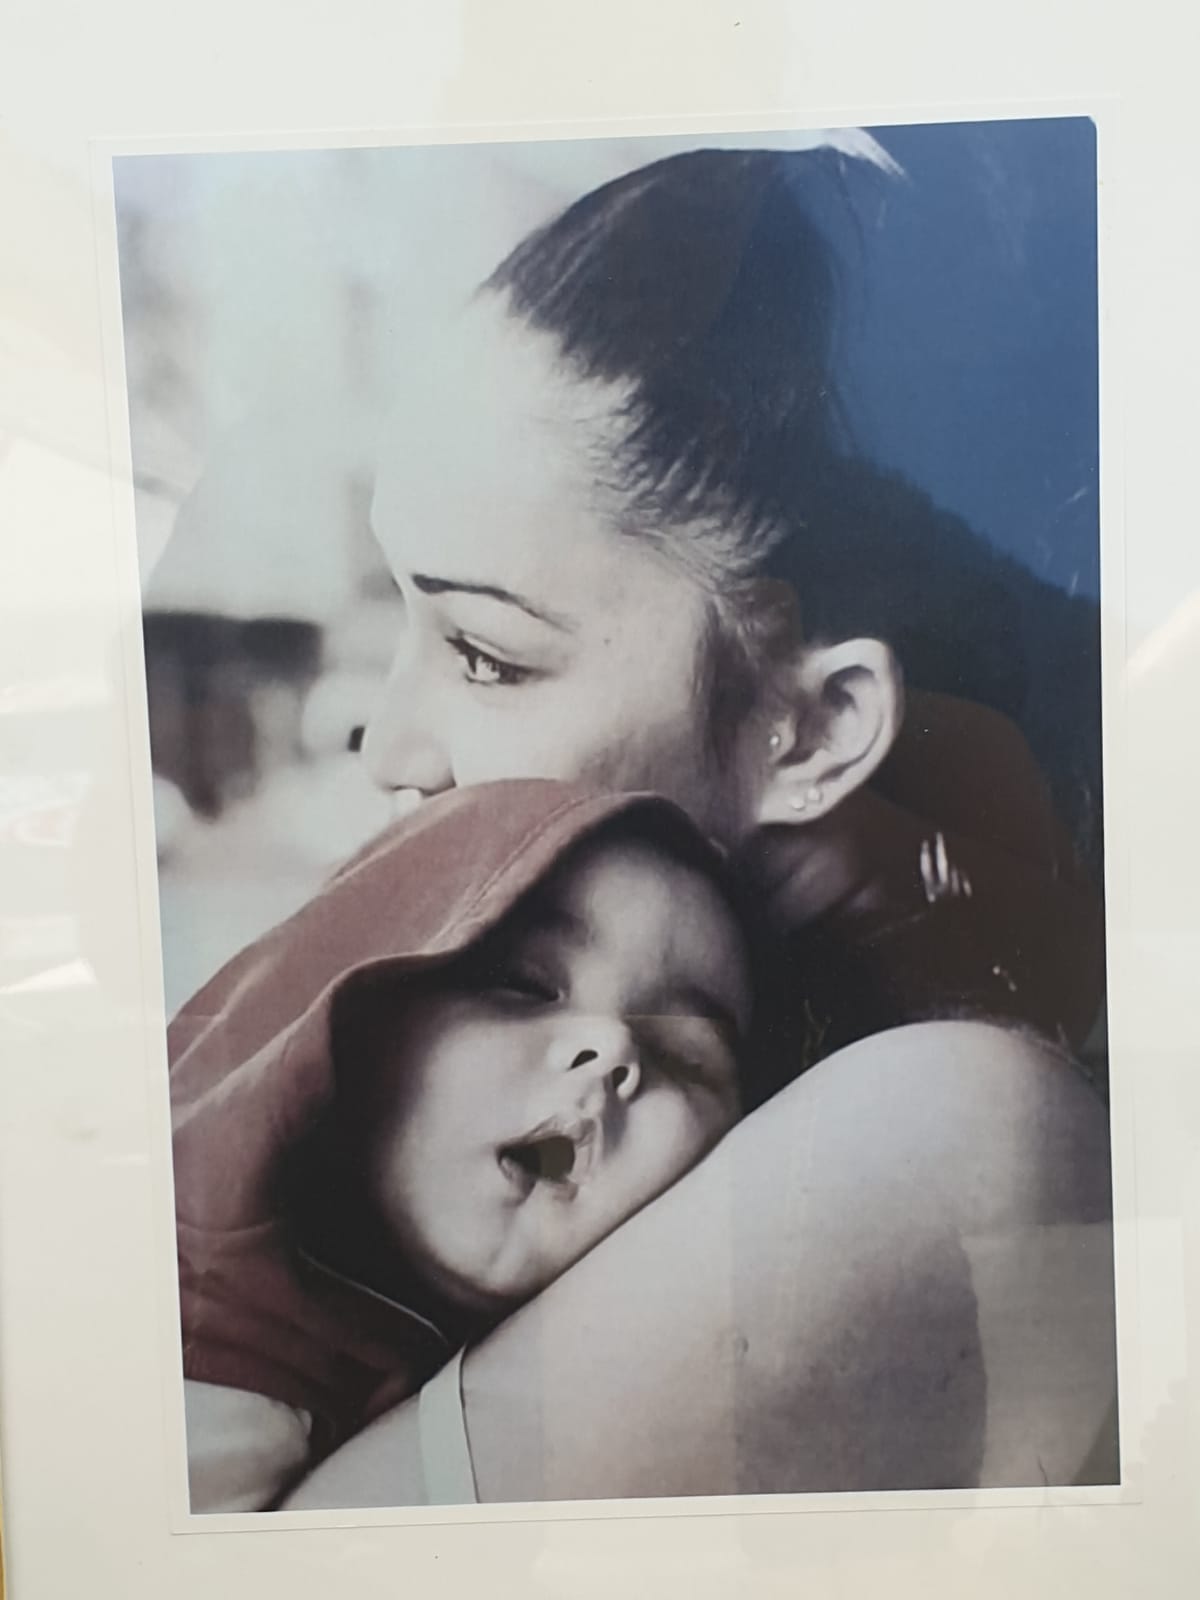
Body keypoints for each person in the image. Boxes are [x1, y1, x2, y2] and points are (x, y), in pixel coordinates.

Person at [357, 145, 1105, 1058]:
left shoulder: (950, 1097)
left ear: (815, 728)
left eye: (485, 656)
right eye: (406, 614)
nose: (385, 753)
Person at [173, 779, 778, 1512]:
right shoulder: (201, 1372)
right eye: (524, 984)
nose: (613, 1049)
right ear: (355, 1009)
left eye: (683, 1058)